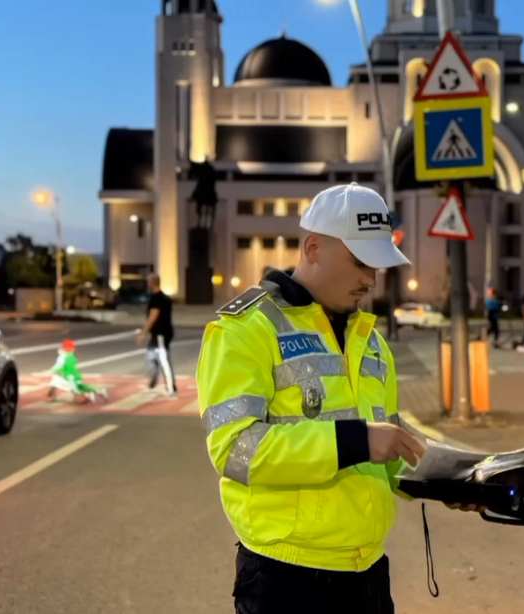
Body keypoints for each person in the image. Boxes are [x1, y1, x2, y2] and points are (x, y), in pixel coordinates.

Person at [196, 183, 427, 614]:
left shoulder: (371, 342)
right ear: (314, 248)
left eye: (377, 266)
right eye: (361, 262)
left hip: (368, 573)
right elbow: (235, 449)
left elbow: (387, 450)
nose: (370, 279)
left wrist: (446, 480)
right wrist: (355, 440)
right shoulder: (246, 329)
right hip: (286, 578)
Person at [137, 273, 177, 395]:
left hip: (161, 334)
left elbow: (153, 316)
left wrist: (143, 333)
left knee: (164, 359)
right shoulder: (165, 298)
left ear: (152, 283)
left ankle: (171, 387)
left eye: (148, 282)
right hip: (159, 334)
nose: (147, 284)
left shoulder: (156, 299)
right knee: (150, 355)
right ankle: (153, 379)